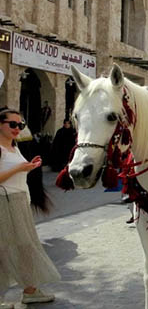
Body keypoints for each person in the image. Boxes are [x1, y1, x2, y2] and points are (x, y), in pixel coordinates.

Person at [0, 109, 59, 307]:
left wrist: (29, 167)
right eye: (13, 124)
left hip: (18, 201)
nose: (17, 129)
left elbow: (14, 173)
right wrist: (19, 168)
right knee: (6, 249)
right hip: (5, 203)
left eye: (20, 125)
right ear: (0, 124)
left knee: (25, 247)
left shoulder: (13, 147)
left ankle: (30, 290)